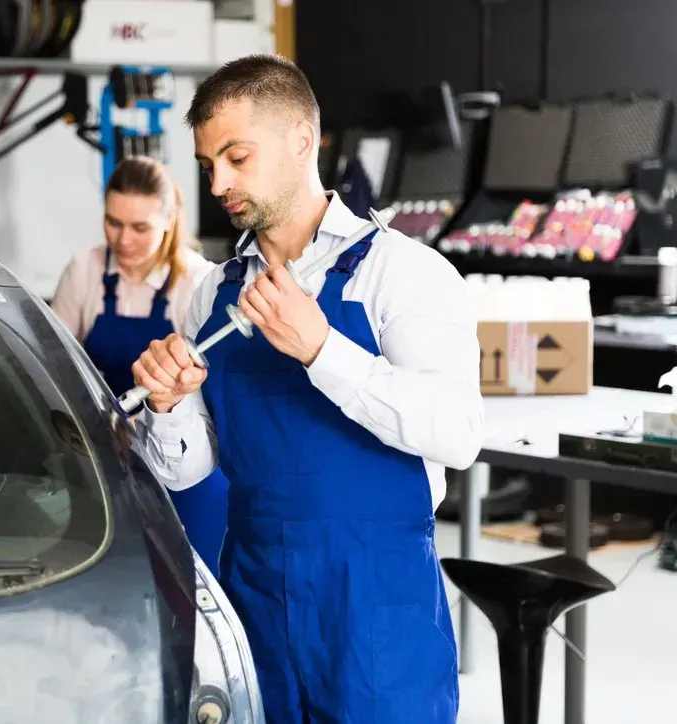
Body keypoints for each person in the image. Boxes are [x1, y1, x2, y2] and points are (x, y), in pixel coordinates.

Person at [131, 55, 484, 724]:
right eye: (209, 165)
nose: (219, 182)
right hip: (254, 588)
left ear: (300, 140)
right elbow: (188, 469)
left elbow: (458, 434)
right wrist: (166, 404)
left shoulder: (402, 274)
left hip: (375, 602)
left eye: (236, 157)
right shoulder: (212, 295)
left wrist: (323, 350)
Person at [50, 155, 230, 577]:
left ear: (169, 221)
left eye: (140, 227)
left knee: (188, 580)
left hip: (183, 467)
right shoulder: (86, 271)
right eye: (113, 222)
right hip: (101, 460)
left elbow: (212, 394)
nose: (123, 239)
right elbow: (55, 364)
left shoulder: (199, 283)